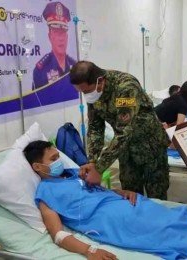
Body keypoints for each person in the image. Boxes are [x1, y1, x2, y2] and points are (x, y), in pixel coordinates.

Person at [24, 140, 187, 260]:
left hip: (125, 204)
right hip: (111, 221)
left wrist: (120, 192)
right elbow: (57, 234)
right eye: (53, 159)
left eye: (58, 155)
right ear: (38, 167)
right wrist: (89, 251)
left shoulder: (72, 173)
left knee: (176, 217)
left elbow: (94, 192)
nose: (60, 161)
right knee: (167, 235)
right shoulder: (45, 195)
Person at [69, 61, 170, 200]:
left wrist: (99, 169)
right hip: (126, 150)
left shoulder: (125, 87)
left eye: (86, 91)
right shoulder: (94, 93)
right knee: (130, 196)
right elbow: (95, 127)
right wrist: (92, 161)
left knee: (156, 197)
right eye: (81, 92)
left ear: (100, 81)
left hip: (151, 146)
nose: (85, 95)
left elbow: (124, 131)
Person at [32, 1, 76, 90]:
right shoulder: (41, 70)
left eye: (63, 33)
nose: (61, 38)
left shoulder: (75, 65)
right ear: (50, 36)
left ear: (67, 37)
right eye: (56, 32)